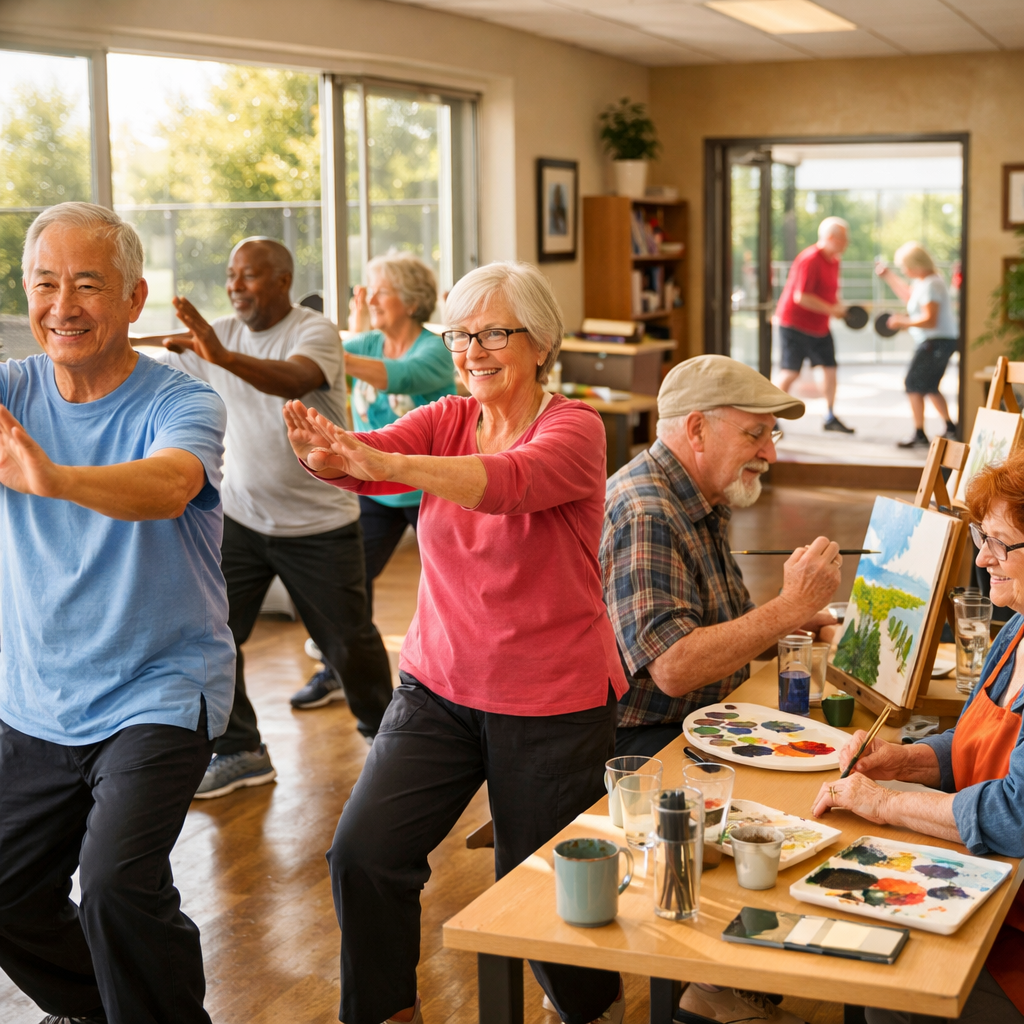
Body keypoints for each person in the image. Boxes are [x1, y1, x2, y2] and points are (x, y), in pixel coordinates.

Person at [283, 261, 630, 1024]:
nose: (473, 349)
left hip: (551, 701)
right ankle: (383, 1013)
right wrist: (327, 452)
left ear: (541, 344)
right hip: (438, 687)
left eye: (493, 333)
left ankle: (588, 1010)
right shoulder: (444, 416)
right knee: (364, 854)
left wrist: (383, 463)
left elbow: (504, 483)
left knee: (540, 887)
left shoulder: (573, 429)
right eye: (461, 334)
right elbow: (365, 461)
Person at [0, 202, 233, 1024]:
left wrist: (54, 478)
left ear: (135, 299)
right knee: (7, 895)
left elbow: (169, 485)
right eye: (45, 283)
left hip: (158, 689)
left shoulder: (182, 403)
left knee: (115, 887)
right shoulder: (10, 388)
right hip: (35, 697)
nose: (63, 305)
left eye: (88, 285)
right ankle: (105, 1008)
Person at [601, 355, 841, 1024]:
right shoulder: (648, 508)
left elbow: (716, 631)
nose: (769, 453)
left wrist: (785, 627)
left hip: (694, 721)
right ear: (697, 429)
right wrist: (788, 611)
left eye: (773, 436)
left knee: (830, 773)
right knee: (806, 797)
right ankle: (710, 985)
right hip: (642, 746)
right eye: (755, 435)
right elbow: (673, 666)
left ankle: (732, 977)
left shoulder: (700, 497)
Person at [137, 237, 393, 799]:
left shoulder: (313, 330)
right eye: (231, 276)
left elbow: (293, 379)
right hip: (243, 522)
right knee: (210, 637)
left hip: (319, 524)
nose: (235, 286)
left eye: (249, 276)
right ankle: (241, 750)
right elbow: (148, 362)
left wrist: (220, 357)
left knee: (348, 644)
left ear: (282, 280)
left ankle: (393, 736)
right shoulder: (217, 336)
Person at [813, 448, 1024, 1024]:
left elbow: (1014, 815)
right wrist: (902, 761)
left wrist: (882, 804)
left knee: (884, 982)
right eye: (983, 537)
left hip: (1013, 936)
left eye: (1001, 542)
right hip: (990, 891)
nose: (983, 558)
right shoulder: (1015, 633)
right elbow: (971, 746)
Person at [344, 250, 455, 613]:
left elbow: (401, 377)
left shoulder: (437, 350)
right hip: (376, 488)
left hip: (430, 489)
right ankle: (341, 665)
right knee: (350, 579)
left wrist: (339, 356)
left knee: (452, 584)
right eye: (369, 292)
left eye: (381, 291)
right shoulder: (367, 344)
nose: (371, 299)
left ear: (411, 301)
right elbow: (321, 368)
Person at [774, 216, 855, 434]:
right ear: (830, 238)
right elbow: (802, 297)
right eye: (843, 240)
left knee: (829, 369)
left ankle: (829, 416)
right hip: (794, 324)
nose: (846, 244)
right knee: (790, 371)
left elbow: (830, 295)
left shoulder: (835, 261)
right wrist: (832, 309)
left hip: (820, 326)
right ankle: (770, 416)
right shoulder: (809, 258)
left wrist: (840, 309)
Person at [875, 242, 959, 448]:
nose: (904, 271)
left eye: (905, 266)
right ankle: (950, 427)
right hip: (936, 341)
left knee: (913, 384)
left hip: (936, 342)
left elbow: (929, 320)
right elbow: (908, 294)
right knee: (930, 386)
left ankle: (920, 433)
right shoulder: (928, 282)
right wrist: (888, 276)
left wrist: (900, 322)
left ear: (915, 264)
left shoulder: (932, 284)